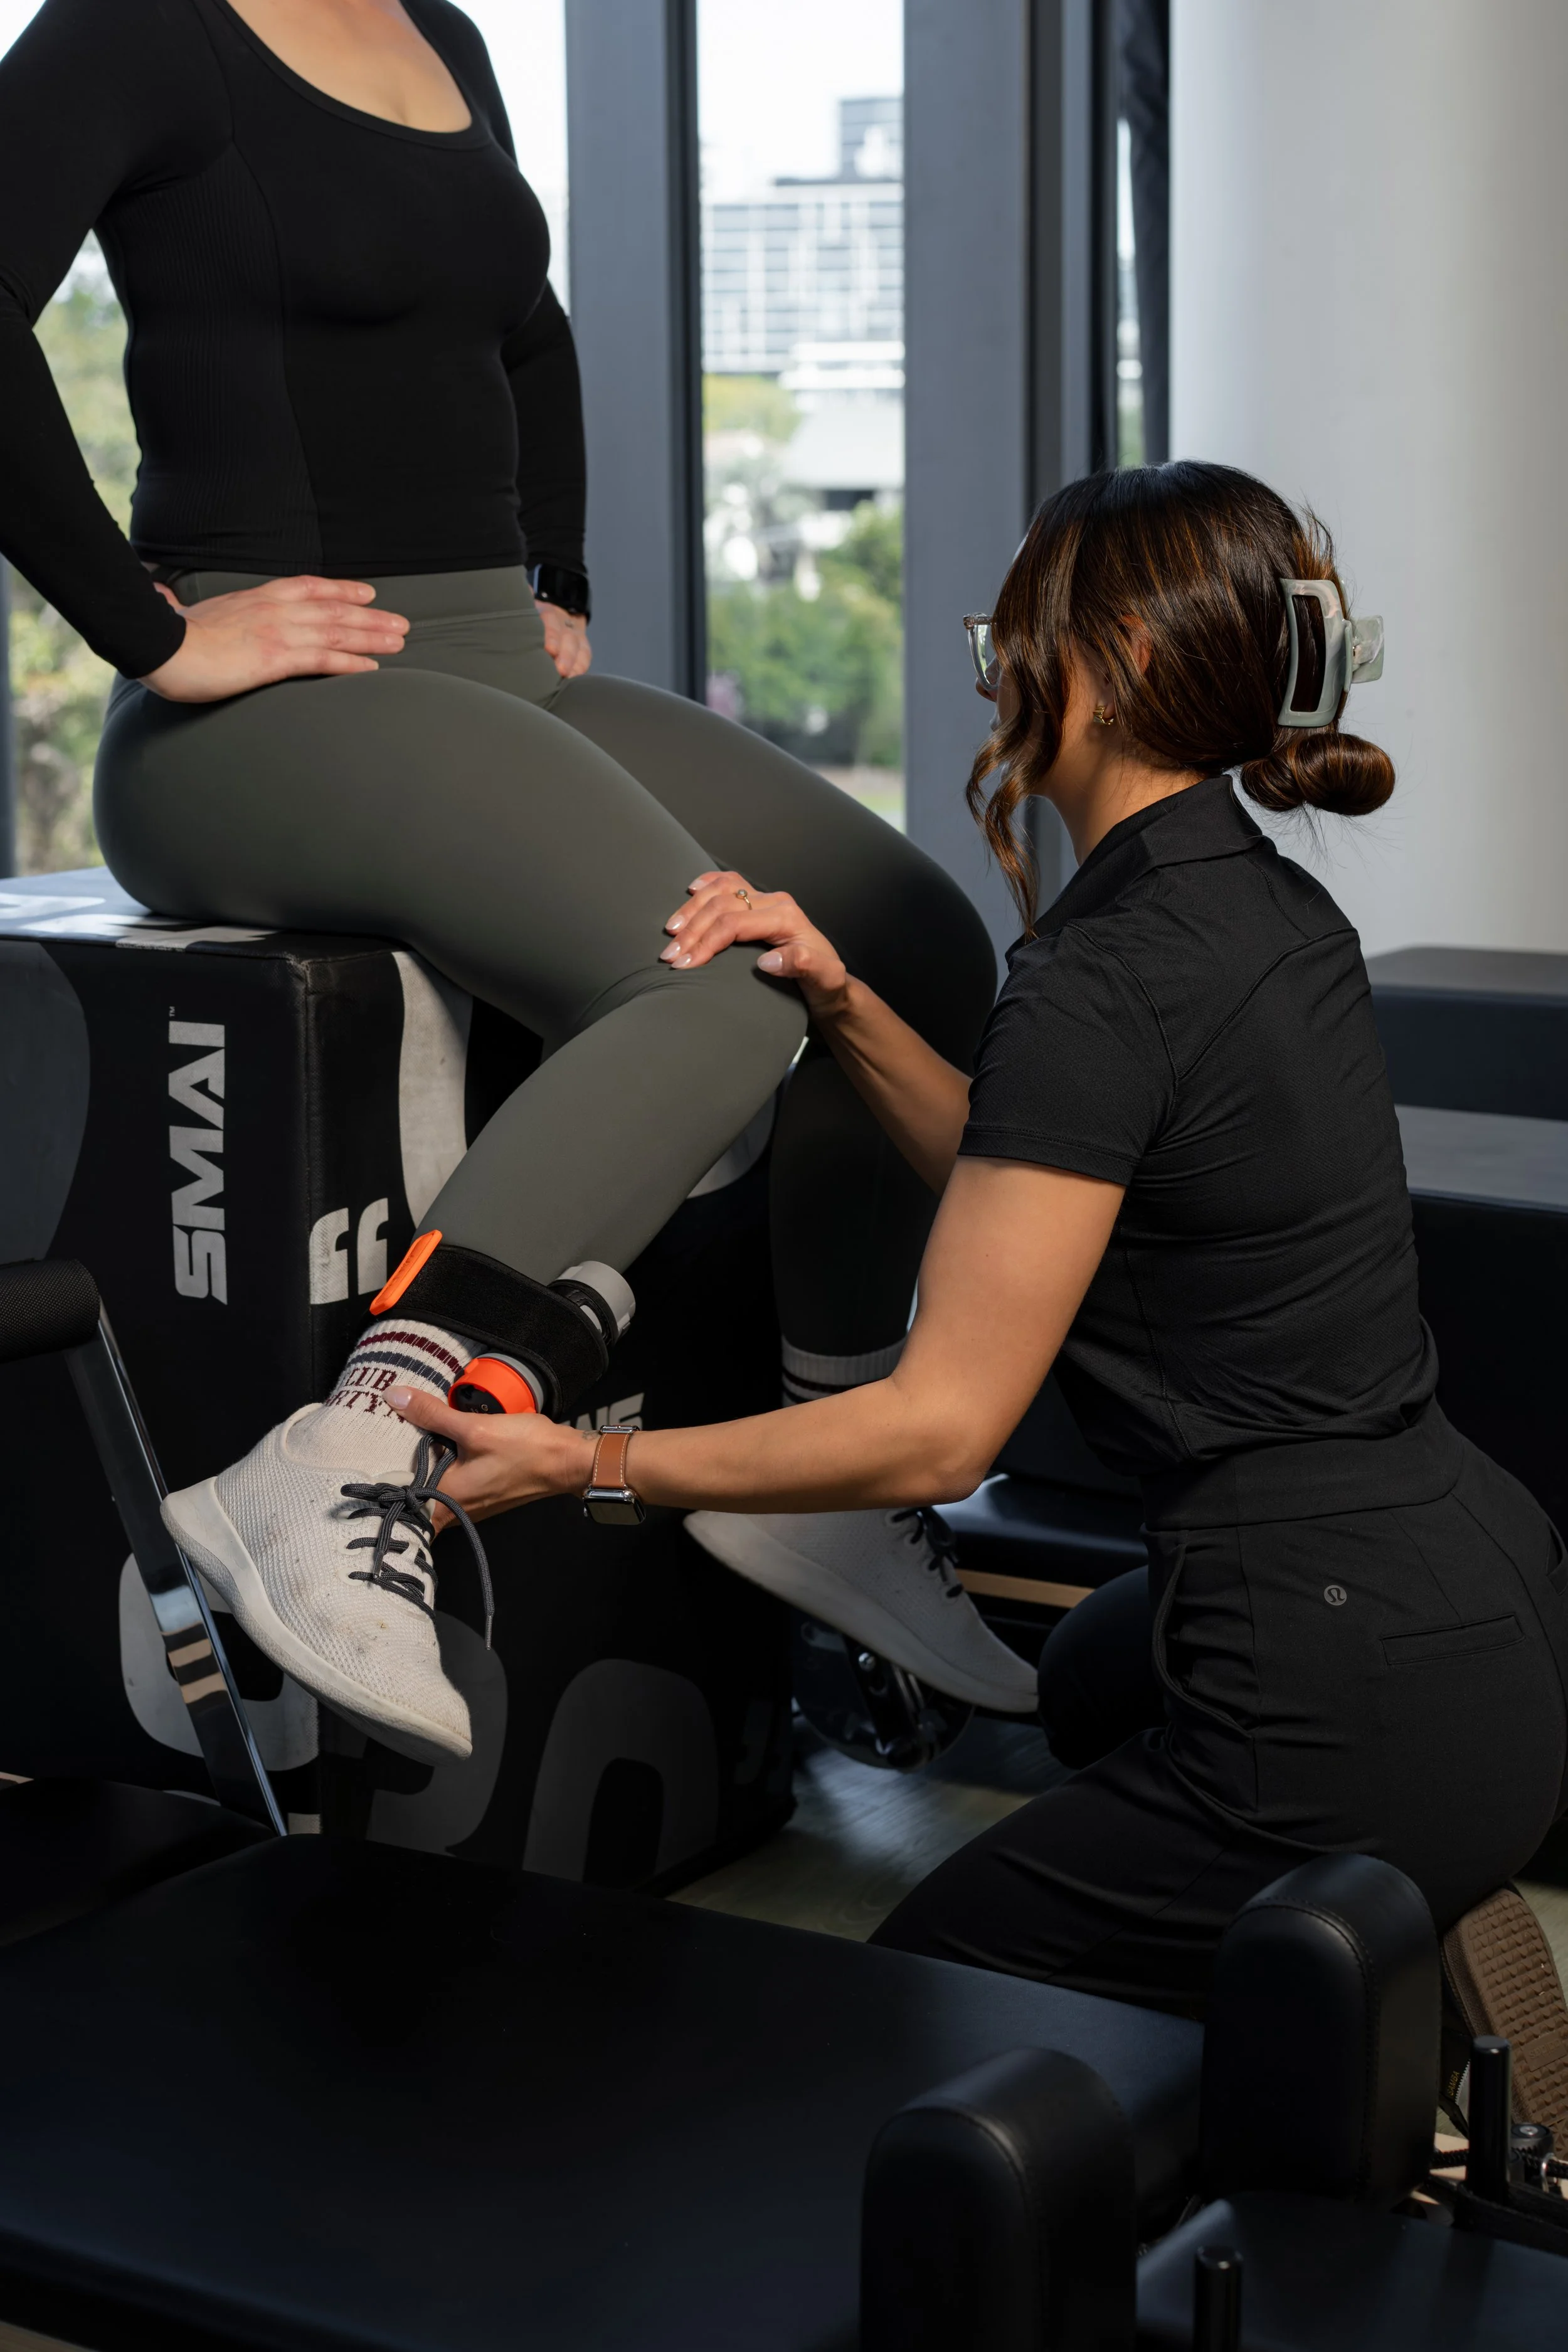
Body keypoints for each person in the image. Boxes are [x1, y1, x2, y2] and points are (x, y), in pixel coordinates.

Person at [0, 0, 1038, 1763]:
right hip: (272, 712)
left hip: (494, 667)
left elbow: (526, 328)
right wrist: (148, 627)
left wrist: (552, 565)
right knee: (717, 982)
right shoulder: (134, 29)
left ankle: (824, 1460)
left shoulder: (440, 35)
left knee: (913, 939)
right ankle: (342, 1457)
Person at [389, 462, 1568, 2011]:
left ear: (1118, 659)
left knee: (920, 1997)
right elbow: (1038, 1180)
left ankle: (1337, 2003)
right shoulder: (1265, 910)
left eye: (1017, 622)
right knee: (1087, 1676)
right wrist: (837, 995)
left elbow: (941, 1434)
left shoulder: (1105, 975)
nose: (998, 660)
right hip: (1484, 1592)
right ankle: (1342, 1960)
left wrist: (591, 1469)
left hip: (1340, 1684)